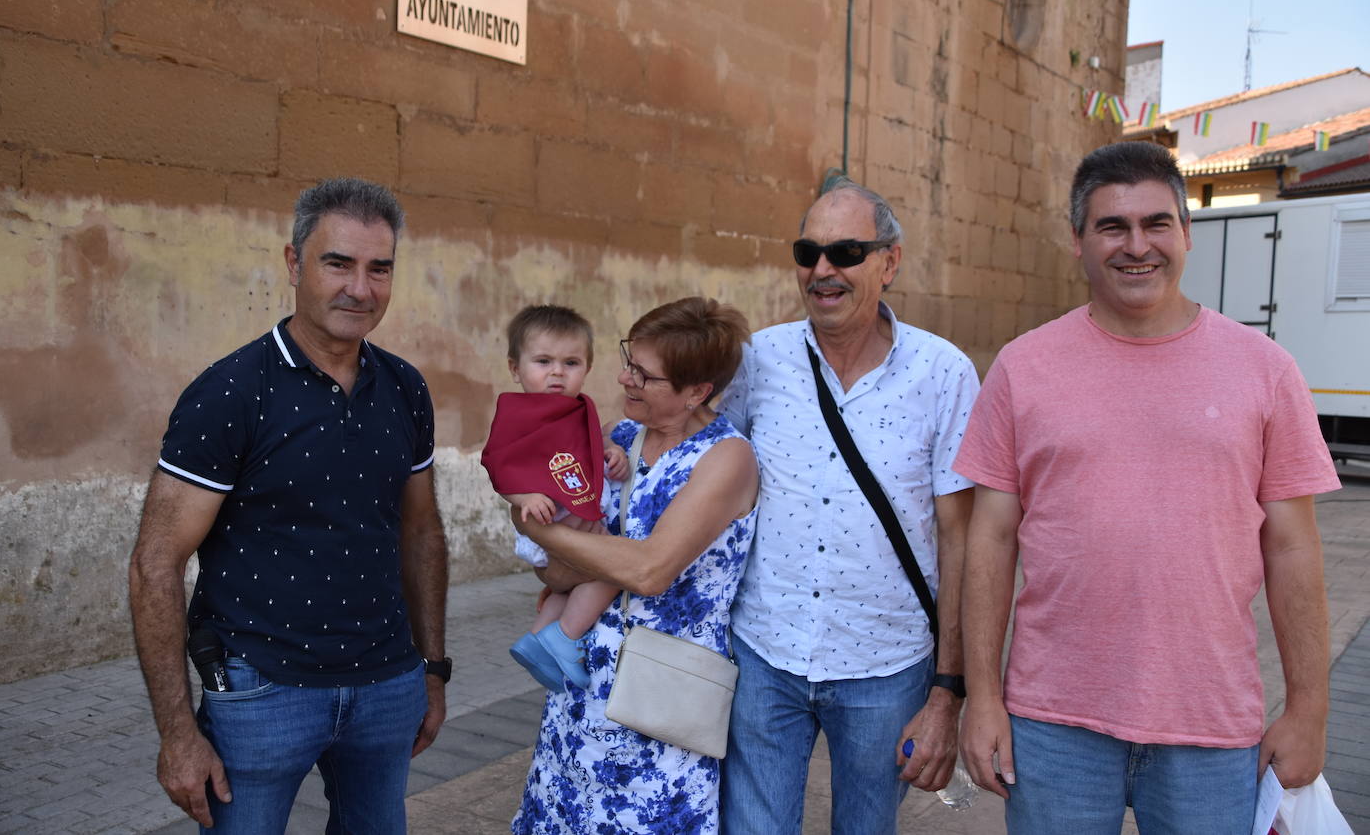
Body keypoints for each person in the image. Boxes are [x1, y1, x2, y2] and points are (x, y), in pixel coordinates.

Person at [956, 141, 1340, 835]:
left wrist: (1309, 706)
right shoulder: (1022, 368)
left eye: (1156, 223)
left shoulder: (1266, 371)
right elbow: (992, 537)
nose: (1138, 246)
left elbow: (1292, 548)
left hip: (1211, 723)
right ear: (1078, 241)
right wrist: (983, 697)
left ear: (1186, 234)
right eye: (1113, 227)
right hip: (1053, 721)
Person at [127, 178, 450, 833]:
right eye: (338, 263)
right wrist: (179, 735)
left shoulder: (404, 388)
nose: (360, 288)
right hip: (261, 692)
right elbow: (154, 565)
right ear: (294, 263)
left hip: (389, 688)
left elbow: (421, 531)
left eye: (379, 268)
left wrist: (433, 669)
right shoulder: (229, 394)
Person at [718, 177, 980, 834]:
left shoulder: (943, 374)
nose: (823, 271)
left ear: (890, 263)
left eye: (846, 252)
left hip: (886, 667)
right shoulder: (758, 361)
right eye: (808, 252)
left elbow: (961, 541)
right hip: (763, 652)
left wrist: (948, 694)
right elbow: (698, 468)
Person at [509, 296, 758, 834]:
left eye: (644, 375)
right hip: (580, 689)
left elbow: (650, 571)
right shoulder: (620, 440)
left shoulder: (726, 458)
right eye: (629, 361)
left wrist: (542, 531)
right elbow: (550, 571)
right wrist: (557, 544)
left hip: (659, 703)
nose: (623, 379)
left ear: (697, 391)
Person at [480, 304, 628, 691]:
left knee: (571, 585)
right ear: (515, 368)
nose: (557, 372)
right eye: (543, 361)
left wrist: (610, 451)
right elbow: (497, 462)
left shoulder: (579, 410)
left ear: (588, 367)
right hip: (550, 522)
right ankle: (565, 637)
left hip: (579, 516)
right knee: (615, 567)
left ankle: (537, 639)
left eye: (571, 362)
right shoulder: (516, 413)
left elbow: (589, 446)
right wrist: (523, 496)